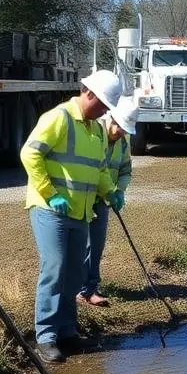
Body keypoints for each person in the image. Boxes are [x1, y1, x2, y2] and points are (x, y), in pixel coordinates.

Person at [20, 70, 123, 363]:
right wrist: (49, 192)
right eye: (102, 103)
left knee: (75, 272)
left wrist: (111, 191)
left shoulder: (96, 129)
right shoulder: (59, 118)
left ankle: (67, 331)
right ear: (88, 92)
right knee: (55, 267)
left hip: (81, 211)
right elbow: (30, 154)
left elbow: (100, 169)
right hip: (50, 209)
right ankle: (46, 336)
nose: (105, 110)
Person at [78, 96, 138, 307]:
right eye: (119, 127)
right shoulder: (94, 133)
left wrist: (119, 192)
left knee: (96, 245)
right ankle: (80, 290)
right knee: (81, 245)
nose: (120, 132)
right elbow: (93, 169)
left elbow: (125, 170)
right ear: (111, 118)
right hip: (84, 197)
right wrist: (109, 191)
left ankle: (90, 288)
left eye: (125, 129)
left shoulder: (122, 142)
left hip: (104, 200)